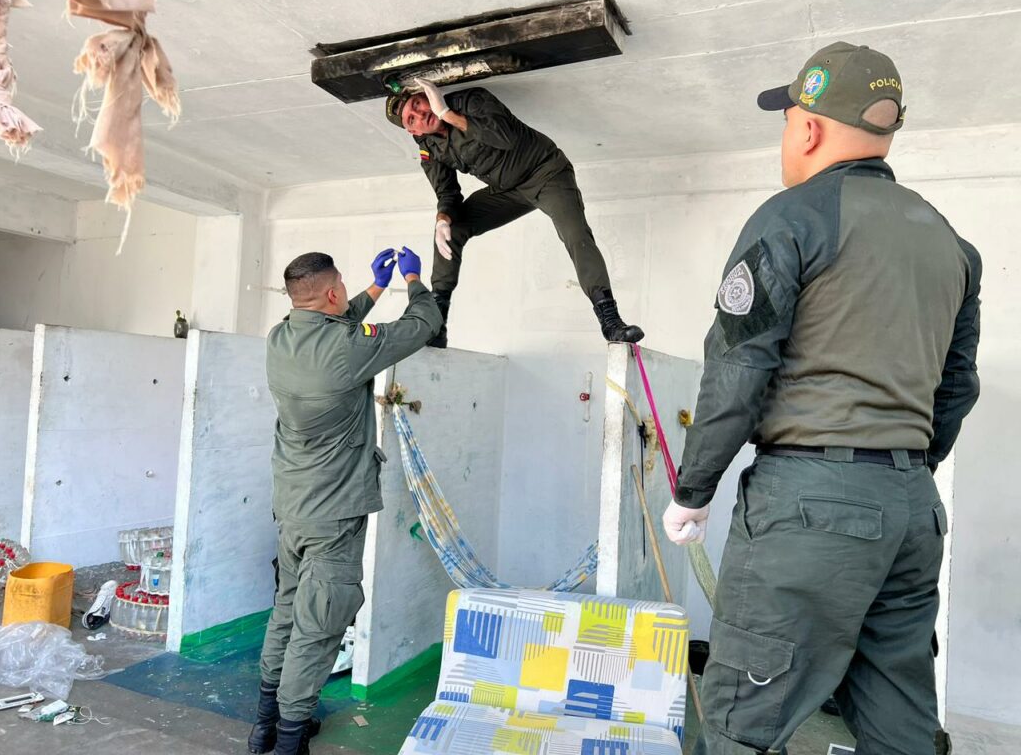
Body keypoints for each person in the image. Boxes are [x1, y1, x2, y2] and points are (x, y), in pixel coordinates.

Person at [662, 42, 980, 755]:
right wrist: (898, 471)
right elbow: (956, 387)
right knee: (898, 714)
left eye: (789, 121)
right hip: (912, 511)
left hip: (810, 505)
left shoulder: (793, 217)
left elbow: (738, 368)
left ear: (806, 128)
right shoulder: (953, 245)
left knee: (747, 718)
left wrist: (693, 488)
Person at [249, 247, 442, 755]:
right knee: (319, 626)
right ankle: (291, 738)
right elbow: (423, 323)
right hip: (334, 514)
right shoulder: (346, 349)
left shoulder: (281, 337)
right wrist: (413, 280)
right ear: (332, 292)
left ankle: (264, 724)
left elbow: (333, 328)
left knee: (286, 611)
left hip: (291, 507)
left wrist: (372, 291)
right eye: (344, 288)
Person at [385, 78, 643, 348]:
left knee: (575, 234)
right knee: (452, 228)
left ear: (427, 95)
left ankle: (610, 321)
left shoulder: (470, 101)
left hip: (546, 173)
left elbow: (504, 137)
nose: (420, 115)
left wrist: (447, 114)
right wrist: (442, 220)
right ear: (411, 131)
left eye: (417, 103)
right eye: (410, 119)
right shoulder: (428, 148)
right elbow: (447, 194)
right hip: (508, 191)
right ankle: (437, 324)